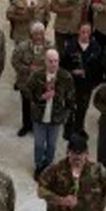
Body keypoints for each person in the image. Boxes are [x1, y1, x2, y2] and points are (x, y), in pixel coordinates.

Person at [26, 47, 76, 176]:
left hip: (56, 117)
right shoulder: (37, 76)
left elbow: (71, 99)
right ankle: (38, 166)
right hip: (39, 116)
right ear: (45, 61)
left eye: (56, 61)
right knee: (39, 144)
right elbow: (27, 92)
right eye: (50, 61)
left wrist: (65, 115)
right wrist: (41, 97)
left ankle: (48, 166)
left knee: (52, 145)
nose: (53, 64)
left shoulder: (66, 77)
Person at [63, 21, 105, 139]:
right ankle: (68, 128)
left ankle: (79, 128)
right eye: (83, 32)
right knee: (70, 106)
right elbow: (63, 65)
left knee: (82, 107)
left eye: (88, 32)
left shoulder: (96, 48)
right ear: (78, 32)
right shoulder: (70, 46)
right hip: (72, 83)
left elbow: (98, 67)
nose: (85, 35)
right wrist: (72, 72)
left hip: (87, 84)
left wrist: (92, 79)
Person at [13, 22, 54, 138]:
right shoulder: (22, 47)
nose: (38, 37)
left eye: (41, 34)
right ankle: (26, 125)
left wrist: (43, 69)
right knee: (26, 104)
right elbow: (15, 62)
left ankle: (38, 126)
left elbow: (54, 63)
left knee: (39, 105)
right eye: (36, 34)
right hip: (25, 81)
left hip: (42, 83)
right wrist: (28, 68)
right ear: (31, 35)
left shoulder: (50, 47)